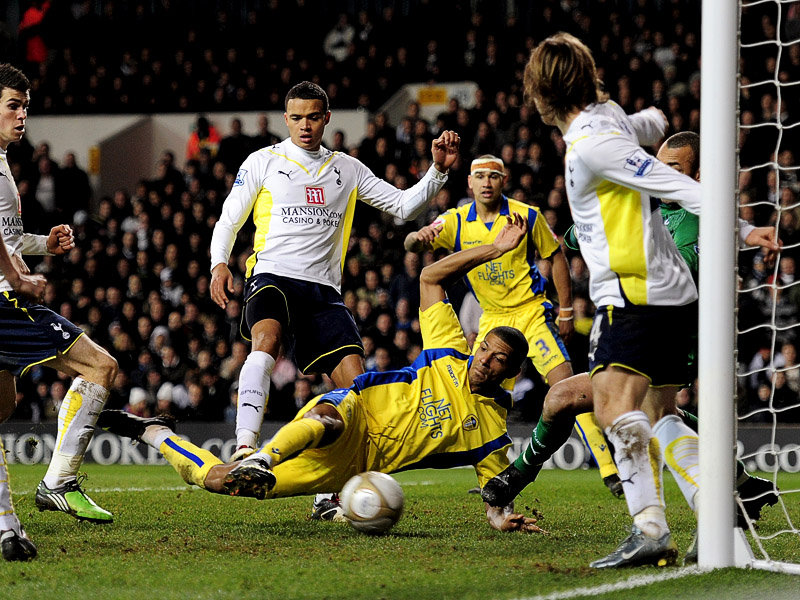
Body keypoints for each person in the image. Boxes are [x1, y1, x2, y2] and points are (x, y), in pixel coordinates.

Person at [482, 33, 780, 570]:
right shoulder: (609, 121)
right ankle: (720, 514)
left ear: (539, 92)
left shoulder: (594, 145)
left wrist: (741, 227)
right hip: (672, 294)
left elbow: (671, 179)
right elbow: (653, 123)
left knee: (612, 407)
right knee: (661, 413)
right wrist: (647, 118)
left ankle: (649, 528)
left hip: (634, 292)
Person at [101, 213, 544, 533]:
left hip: (352, 468)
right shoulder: (450, 351)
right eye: (485, 347)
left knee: (227, 483)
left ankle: (154, 434)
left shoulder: (492, 432)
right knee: (327, 419)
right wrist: (494, 249)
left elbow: (495, 497)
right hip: (354, 410)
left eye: (498, 358)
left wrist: (503, 520)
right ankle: (263, 455)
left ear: (512, 369)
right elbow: (430, 277)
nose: (484, 358)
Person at [209, 81, 460, 472]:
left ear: (326, 118)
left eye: (312, 117)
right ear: (286, 119)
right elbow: (229, 219)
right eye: (295, 118)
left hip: (324, 291)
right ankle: (245, 449)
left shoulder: (346, 167)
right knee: (267, 341)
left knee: (353, 387)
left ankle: (327, 491)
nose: (304, 126)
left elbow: (403, 206)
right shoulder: (262, 161)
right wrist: (219, 263)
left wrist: (438, 172)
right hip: (272, 274)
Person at [0, 63, 119, 527]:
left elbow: (5, 236)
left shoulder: (4, 161)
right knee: (101, 365)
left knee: (4, 407)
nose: (22, 114)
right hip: (5, 299)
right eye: (13, 105)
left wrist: (41, 244)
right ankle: (59, 483)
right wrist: (19, 275)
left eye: (26, 106)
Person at [404, 154, 574, 391]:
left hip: (531, 311)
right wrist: (416, 237)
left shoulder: (527, 214)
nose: (486, 183)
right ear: (469, 182)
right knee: (475, 391)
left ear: (503, 181)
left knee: (565, 386)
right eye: (480, 177)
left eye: (493, 176)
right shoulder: (456, 220)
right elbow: (412, 244)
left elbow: (556, 257)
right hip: (492, 317)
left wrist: (565, 311)